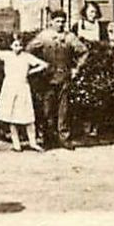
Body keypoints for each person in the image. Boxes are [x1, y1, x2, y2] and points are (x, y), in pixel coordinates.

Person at [28, 11, 89, 149]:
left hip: (64, 76)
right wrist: (37, 68)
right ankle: (48, 137)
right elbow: (29, 50)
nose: (60, 24)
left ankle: (64, 138)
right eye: (57, 21)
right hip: (47, 78)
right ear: (51, 22)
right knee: (47, 109)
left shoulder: (70, 37)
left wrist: (76, 68)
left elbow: (84, 52)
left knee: (64, 108)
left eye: (62, 21)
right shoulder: (44, 37)